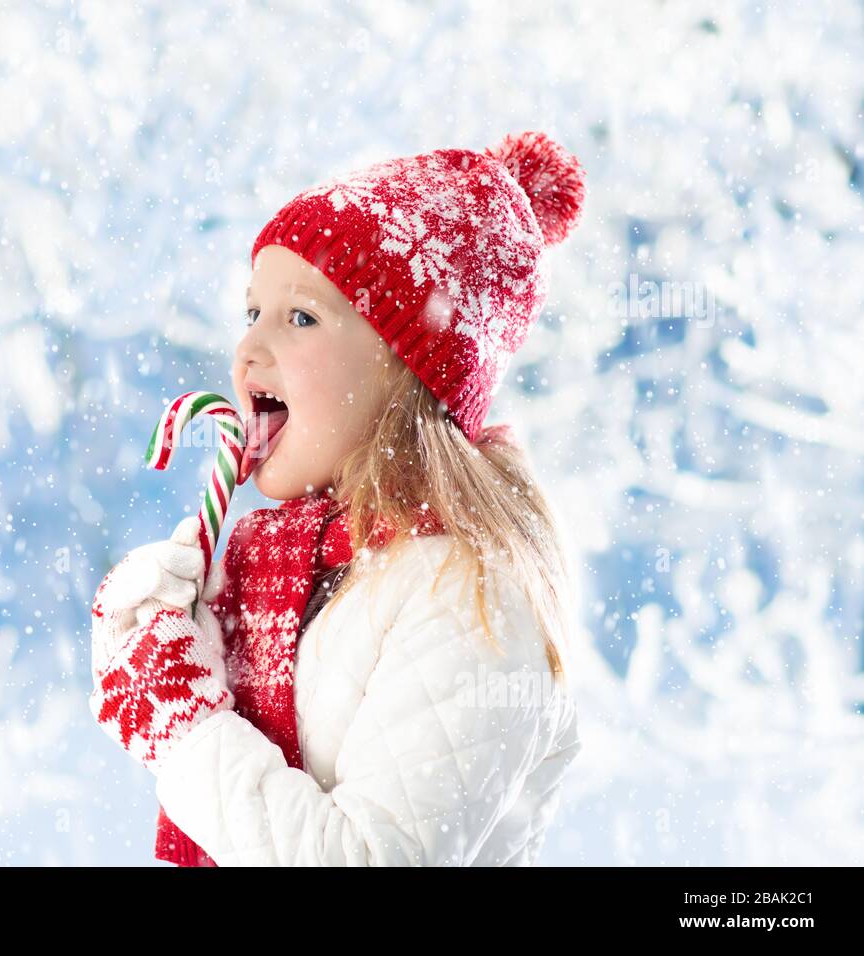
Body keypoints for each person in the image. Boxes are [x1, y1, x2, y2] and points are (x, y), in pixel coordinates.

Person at [89, 131, 587, 866]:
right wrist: (147, 643)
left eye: (301, 317)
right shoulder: (295, 573)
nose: (249, 350)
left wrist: (186, 725)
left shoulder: (472, 591)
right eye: (250, 312)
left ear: (411, 371)